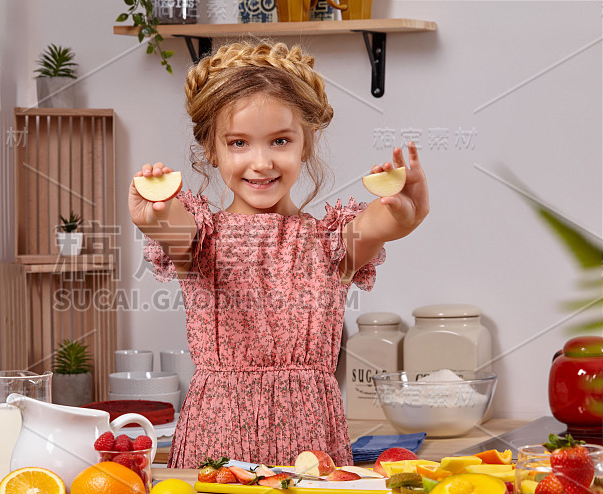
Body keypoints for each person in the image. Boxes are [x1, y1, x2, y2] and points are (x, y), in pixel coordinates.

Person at [128, 41, 429, 468]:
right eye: (238, 144)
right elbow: (172, 227)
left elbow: (385, 223)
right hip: (217, 443)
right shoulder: (202, 238)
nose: (261, 161)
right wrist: (154, 214)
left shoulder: (330, 244)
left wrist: (409, 213)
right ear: (212, 151)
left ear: (305, 144)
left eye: (280, 140)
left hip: (311, 446)